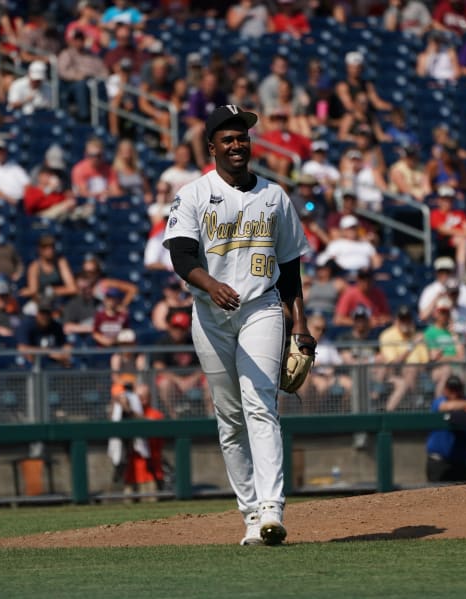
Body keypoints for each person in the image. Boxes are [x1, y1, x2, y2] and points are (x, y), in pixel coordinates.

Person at [162, 105, 312, 546]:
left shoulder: (275, 196)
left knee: (260, 405)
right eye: (228, 138)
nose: (237, 144)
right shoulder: (192, 194)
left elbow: (290, 268)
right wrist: (209, 285)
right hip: (210, 315)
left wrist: (300, 324)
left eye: (242, 137)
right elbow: (181, 256)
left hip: (261, 309)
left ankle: (272, 508)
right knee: (229, 417)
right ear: (212, 148)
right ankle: (249, 512)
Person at [425, 374, 466, 483]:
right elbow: (446, 406)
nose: (454, 393)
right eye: (451, 389)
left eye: (457, 389)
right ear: (445, 389)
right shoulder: (439, 401)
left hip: (460, 463)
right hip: (438, 462)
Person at [377, 305, 430, 412]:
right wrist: (411, 346)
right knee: (409, 372)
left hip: (418, 376)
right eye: (402, 319)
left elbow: (425, 362)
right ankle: (413, 407)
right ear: (396, 320)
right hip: (393, 375)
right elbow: (394, 363)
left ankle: (414, 407)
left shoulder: (418, 335)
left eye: (408, 319)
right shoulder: (387, 335)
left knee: (412, 370)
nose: (405, 322)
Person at [418, 256, 466, 322]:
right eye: (442, 271)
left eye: (447, 271)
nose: (445, 274)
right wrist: (436, 299)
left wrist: (458, 308)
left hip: (460, 326)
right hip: (438, 328)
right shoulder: (429, 290)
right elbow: (423, 316)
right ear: (436, 272)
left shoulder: (462, 288)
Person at [316, 215, 382, 276]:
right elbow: (324, 260)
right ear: (343, 230)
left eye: (354, 228)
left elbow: (376, 261)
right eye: (349, 228)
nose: (352, 230)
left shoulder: (366, 245)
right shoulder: (336, 244)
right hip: (342, 275)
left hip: (363, 277)